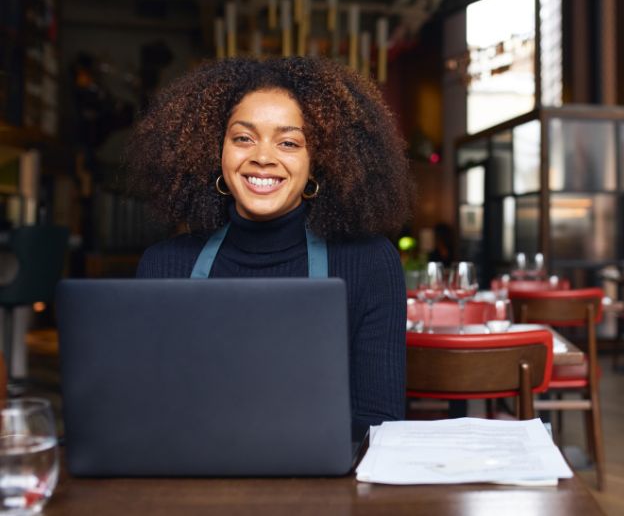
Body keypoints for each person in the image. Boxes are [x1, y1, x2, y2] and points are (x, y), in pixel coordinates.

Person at [128, 57, 411, 439]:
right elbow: (147, 416)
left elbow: (379, 425)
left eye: (289, 142)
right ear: (216, 150)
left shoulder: (370, 263)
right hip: (195, 483)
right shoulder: (164, 265)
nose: (262, 157)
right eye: (243, 138)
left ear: (320, 162)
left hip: (323, 486)